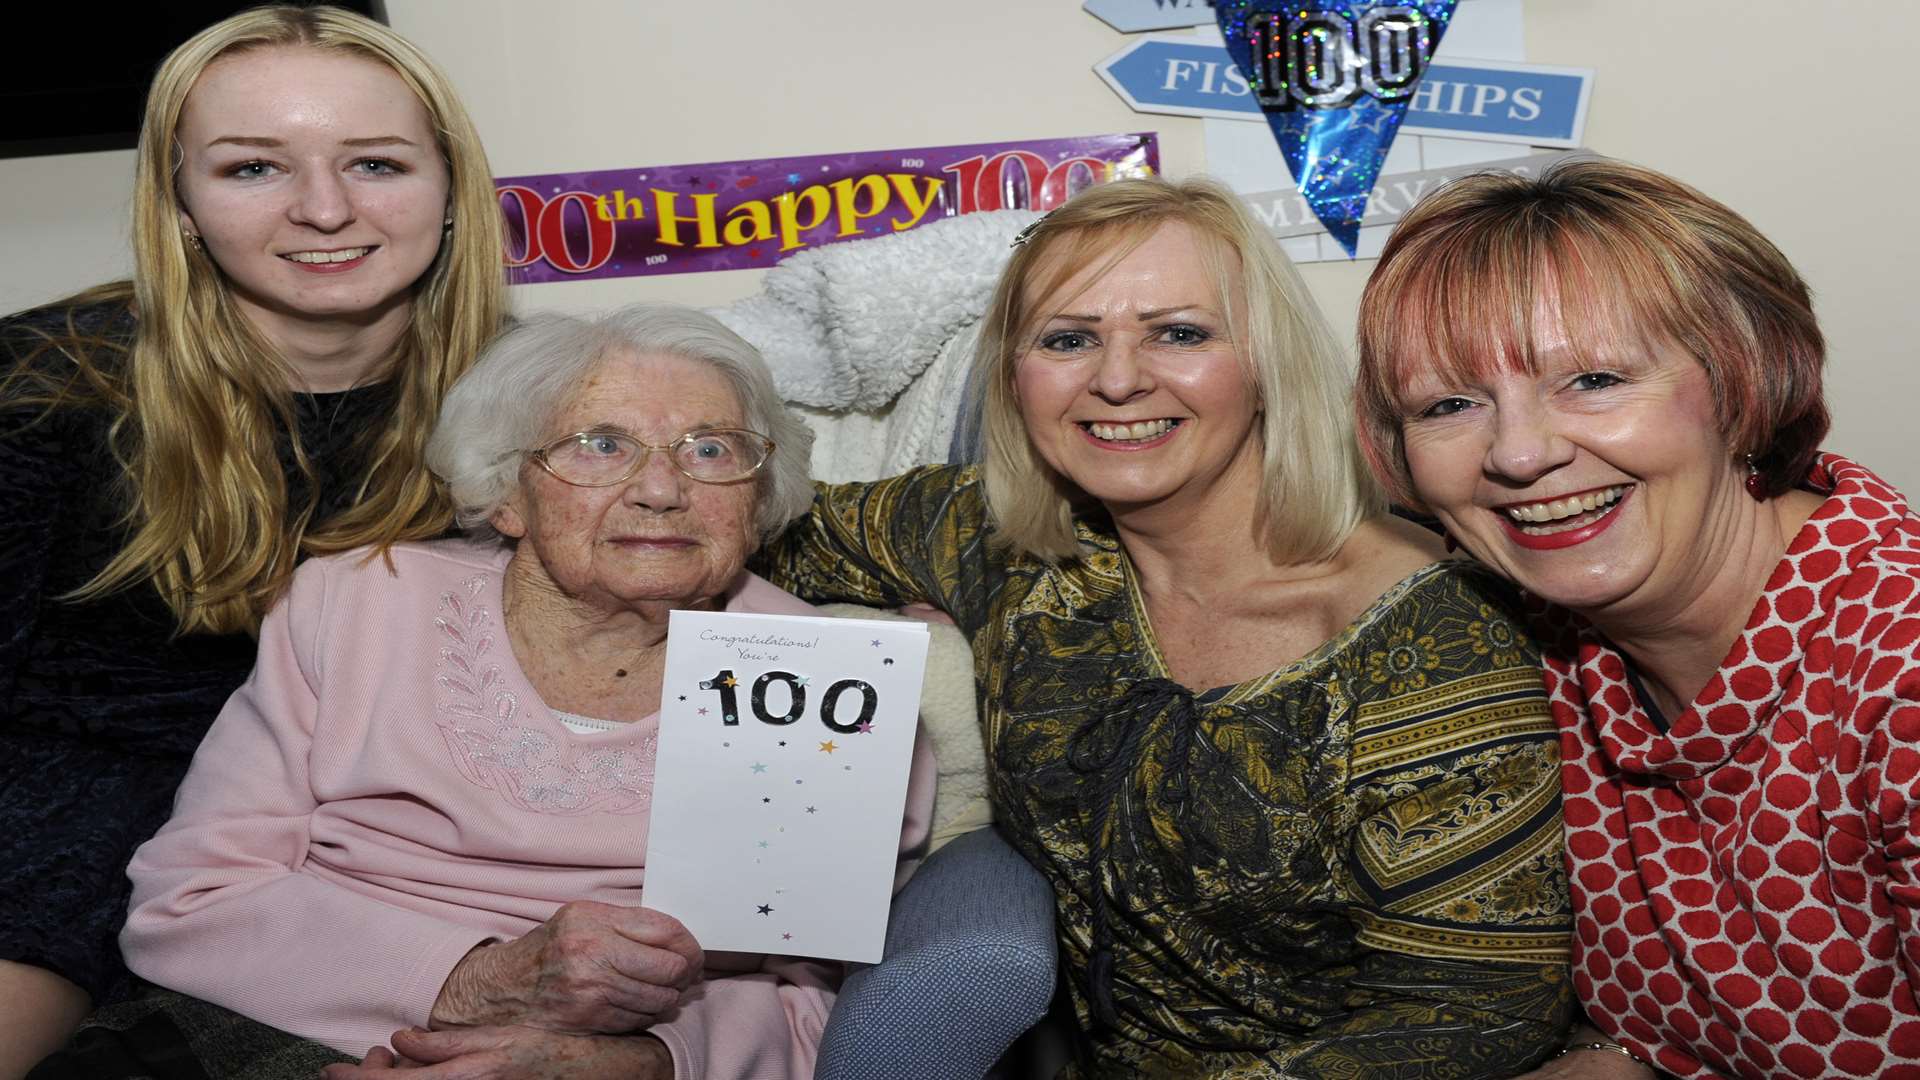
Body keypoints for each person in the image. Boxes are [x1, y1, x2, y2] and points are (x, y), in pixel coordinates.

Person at [755, 176, 1573, 1077]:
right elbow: (720, 531)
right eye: (1068, 340)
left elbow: (1475, 1012)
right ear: (1014, 379)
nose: (1117, 379)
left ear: (1264, 361)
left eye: (1178, 333)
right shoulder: (998, 543)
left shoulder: (1431, 644)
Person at [114, 305, 936, 1077]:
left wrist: (649, 1061)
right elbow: (190, 900)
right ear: (506, 493)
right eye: (601, 445)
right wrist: (470, 981)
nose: (661, 489)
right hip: (290, 1020)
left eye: (712, 449)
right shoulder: (356, 603)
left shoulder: (829, 685)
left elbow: (823, 1001)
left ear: (759, 499)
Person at [0, 6, 506, 1074]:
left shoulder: (536, 396)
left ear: (452, 187)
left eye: (374, 161)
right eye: (251, 170)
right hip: (68, 828)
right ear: (179, 204)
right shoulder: (40, 390)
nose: (325, 209)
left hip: (386, 843)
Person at [1354, 158, 1920, 1080]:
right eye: (1450, 405)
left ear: (1742, 385)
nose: (1520, 453)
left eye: (1595, 380)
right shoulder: (1533, 642)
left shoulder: (1901, 666)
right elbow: (1649, 1046)